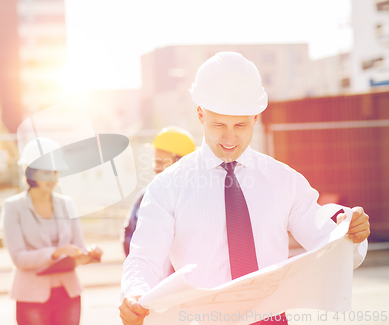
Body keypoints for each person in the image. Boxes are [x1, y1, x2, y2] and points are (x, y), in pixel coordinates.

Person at [119, 52, 370, 325]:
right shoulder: (167, 188)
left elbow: (327, 240)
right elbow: (144, 259)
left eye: (240, 125)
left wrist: (349, 233)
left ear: (256, 118)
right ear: (200, 115)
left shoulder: (284, 181)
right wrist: (135, 294)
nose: (229, 138)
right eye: (218, 125)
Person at [2, 137, 102, 325]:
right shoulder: (13, 207)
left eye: (55, 171)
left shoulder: (67, 204)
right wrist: (56, 253)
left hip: (68, 295)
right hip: (31, 297)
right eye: (47, 171)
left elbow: (78, 250)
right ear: (31, 171)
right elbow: (19, 258)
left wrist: (90, 254)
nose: (53, 178)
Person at [122, 126, 196, 257]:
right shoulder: (145, 196)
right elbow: (129, 235)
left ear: (180, 163)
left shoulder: (200, 197)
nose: (155, 168)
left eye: (160, 162)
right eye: (154, 162)